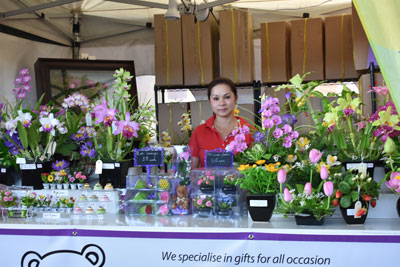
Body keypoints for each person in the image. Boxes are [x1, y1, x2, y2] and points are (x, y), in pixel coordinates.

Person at [189, 78, 253, 168]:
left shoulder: (250, 131)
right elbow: (191, 171)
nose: (221, 103)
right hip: (208, 182)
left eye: (227, 97)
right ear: (210, 101)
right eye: (216, 98)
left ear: (236, 98)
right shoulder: (199, 132)